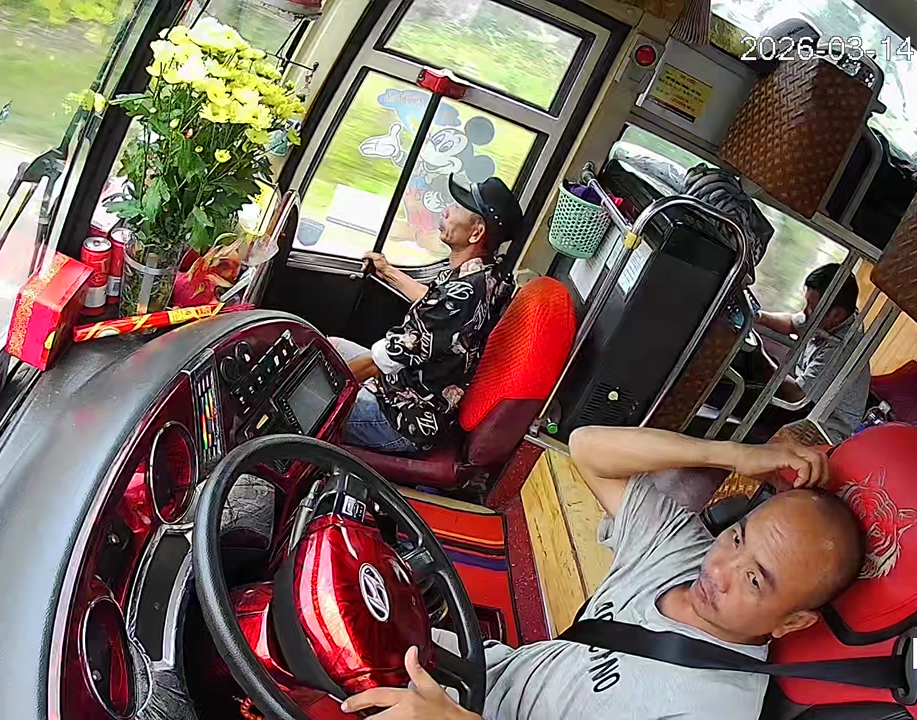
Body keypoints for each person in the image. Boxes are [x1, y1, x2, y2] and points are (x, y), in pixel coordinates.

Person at [341, 427, 867, 719]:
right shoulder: (680, 550)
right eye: (737, 537)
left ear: (792, 622)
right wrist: (731, 453)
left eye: (755, 580)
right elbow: (587, 448)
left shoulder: (713, 708)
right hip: (479, 669)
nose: (720, 570)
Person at [331, 176, 522, 454]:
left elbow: (381, 361)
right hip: (397, 388)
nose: (446, 211)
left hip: (402, 419)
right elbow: (433, 301)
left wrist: (327, 387)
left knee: (308, 404)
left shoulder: (463, 295)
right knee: (331, 345)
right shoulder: (479, 275)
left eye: (458, 208)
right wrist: (387, 271)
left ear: (476, 233)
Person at [755, 263, 869, 441]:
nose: (804, 312)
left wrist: (760, 358)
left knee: (752, 393)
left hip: (823, 425)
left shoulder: (841, 349)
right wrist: (757, 316)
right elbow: (792, 322)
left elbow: (797, 395)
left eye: (810, 307)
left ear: (836, 315)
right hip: (807, 405)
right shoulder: (827, 320)